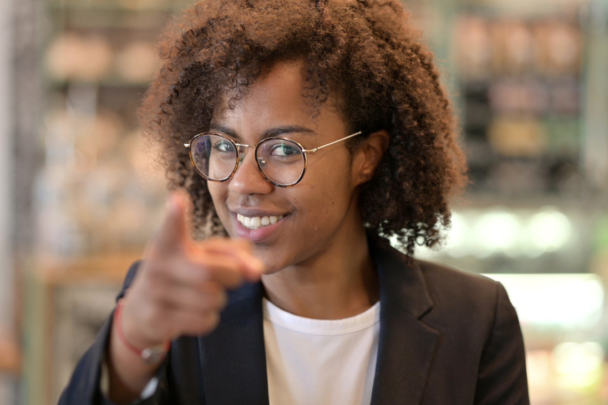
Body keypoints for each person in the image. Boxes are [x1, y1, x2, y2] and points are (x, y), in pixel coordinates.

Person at [59, 0, 529, 404]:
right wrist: (132, 341)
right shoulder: (174, 311)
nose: (244, 183)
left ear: (365, 158)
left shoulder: (474, 320)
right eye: (224, 146)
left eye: (285, 150)